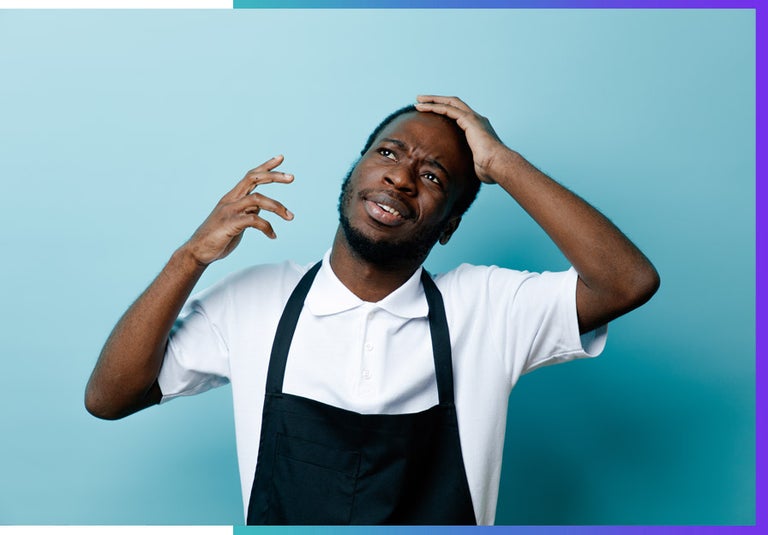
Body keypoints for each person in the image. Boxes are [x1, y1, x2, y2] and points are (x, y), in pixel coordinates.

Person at [85, 95, 659, 525]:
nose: (402, 177)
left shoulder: (487, 309)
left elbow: (626, 281)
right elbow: (110, 398)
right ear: (355, 171)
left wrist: (502, 163)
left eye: (432, 176)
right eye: (388, 152)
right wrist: (190, 257)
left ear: (450, 225)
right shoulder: (255, 300)